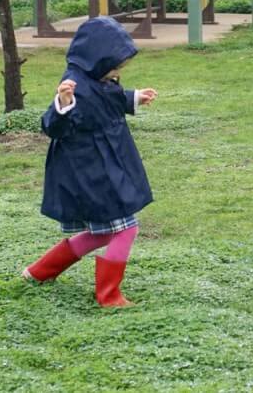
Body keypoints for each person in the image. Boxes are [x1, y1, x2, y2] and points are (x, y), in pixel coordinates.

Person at [22, 16, 157, 307]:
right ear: (97, 59)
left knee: (104, 232)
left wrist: (134, 97)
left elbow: (110, 98)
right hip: (91, 170)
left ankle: (39, 272)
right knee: (127, 228)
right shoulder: (75, 86)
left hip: (107, 163)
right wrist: (64, 104)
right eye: (115, 67)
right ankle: (109, 295)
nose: (117, 73)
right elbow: (52, 127)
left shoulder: (98, 78)